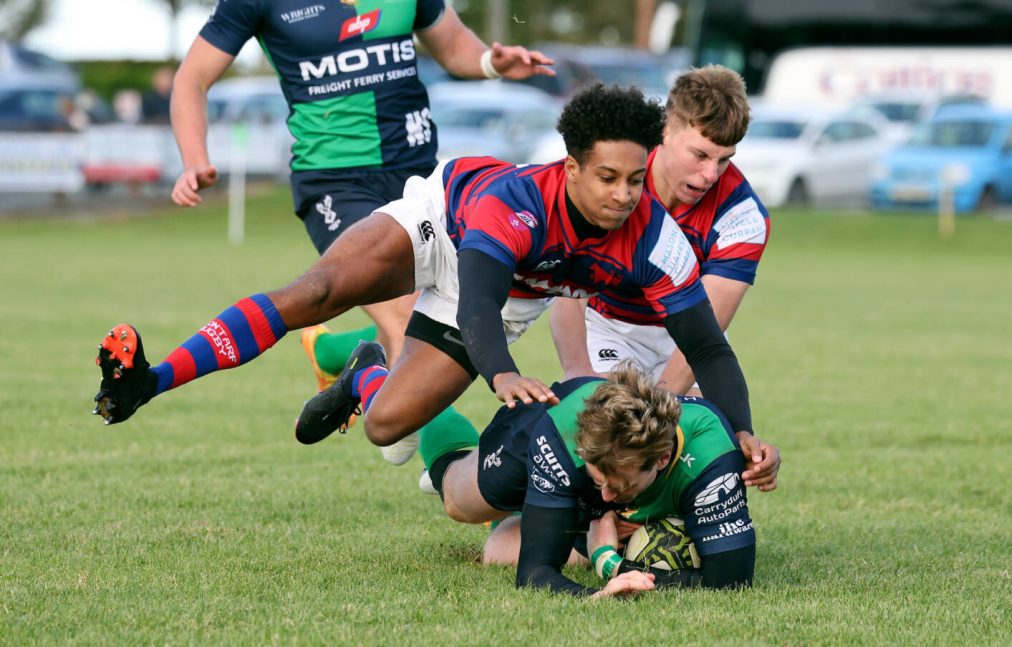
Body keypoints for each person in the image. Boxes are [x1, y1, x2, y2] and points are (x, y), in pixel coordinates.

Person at [92, 84, 775, 491]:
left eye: (634, 180)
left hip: (505, 299)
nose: (624, 194)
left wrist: (743, 430)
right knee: (322, 285)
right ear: (570, 168)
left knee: (386, 426)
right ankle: (149, 381)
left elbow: (708, 348)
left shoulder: (656, 240)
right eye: (607, 178)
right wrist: (502, 375)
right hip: (442, 224)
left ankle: (363, 374)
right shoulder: (518, 201)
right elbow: (476, 294)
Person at [169, 0, 554, 368]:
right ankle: (442, 439)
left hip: (419, 177)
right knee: (406, 316)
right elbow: (192, 78)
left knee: (445, 308)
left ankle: (334, 353)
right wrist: (194, 160)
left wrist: (490, 61)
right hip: (334, 181)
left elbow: (453, 45)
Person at [417, 365, 756, 596]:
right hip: (539, 436)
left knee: (500, 549)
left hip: (585, 492)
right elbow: (534, 574)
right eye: (601, 481)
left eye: (621, 486)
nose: (608, 497)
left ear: (663, 458)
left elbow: (729, 581)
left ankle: (540, 514)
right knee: (459, 501)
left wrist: (608, 560)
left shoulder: (711, 453)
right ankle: (424, 415)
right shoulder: (562, 435)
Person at [550, 66, 772, 413]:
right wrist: (578, 376)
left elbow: (704, 333)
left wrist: (659, 407)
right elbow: (568, 296)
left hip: (689, 334)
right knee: (614, 430)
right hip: (611, 327)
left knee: (702, 441)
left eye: (724, 160)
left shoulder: (742, 215)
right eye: (699, 155)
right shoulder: (616, 179)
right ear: (665, 130)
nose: (711, 174)